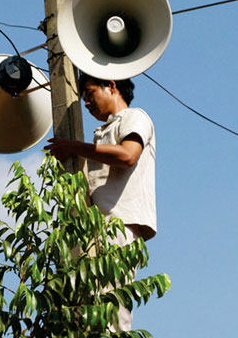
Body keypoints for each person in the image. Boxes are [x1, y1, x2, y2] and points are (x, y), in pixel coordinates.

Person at [44, 73, 156, 331]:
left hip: (119, 224)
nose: (86, 103)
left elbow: (128, 155)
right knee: (90, 309)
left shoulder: (134, 117)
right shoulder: (103, 131)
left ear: (112, 86)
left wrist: (75, 147)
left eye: (90, 94)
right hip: (97, 227)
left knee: (113, 308)